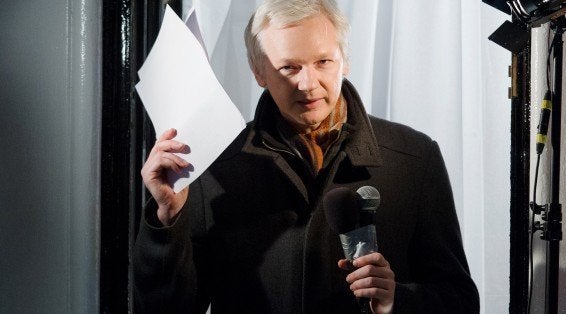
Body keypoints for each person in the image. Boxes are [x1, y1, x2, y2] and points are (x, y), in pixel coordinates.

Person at [133, 0, 479, 313]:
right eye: (289, 68)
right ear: (258, 72)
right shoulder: (215, 163)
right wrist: (167, 218)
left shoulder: (413, 157)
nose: (307, 83)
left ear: (345, 60)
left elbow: (459, 301)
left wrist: (394, 300)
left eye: (323, 61)